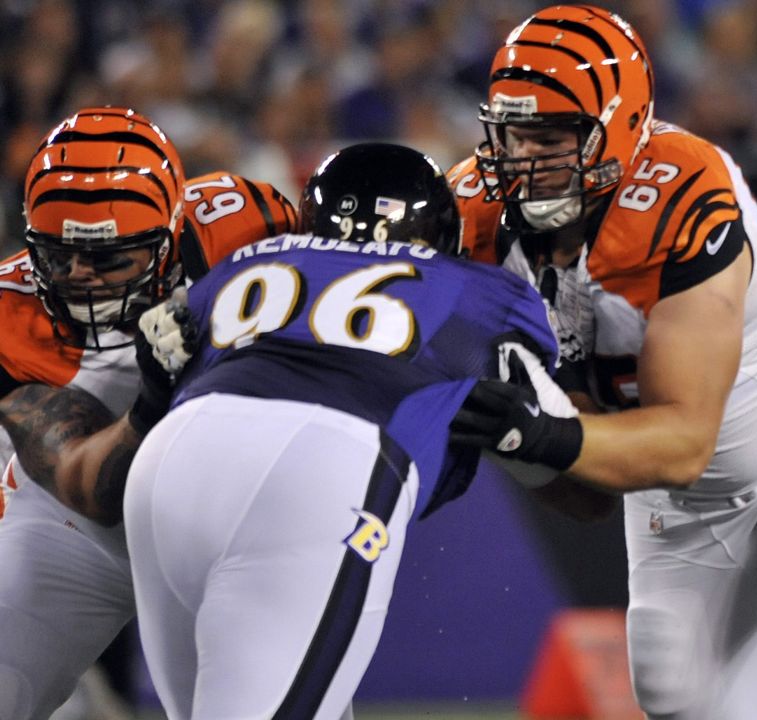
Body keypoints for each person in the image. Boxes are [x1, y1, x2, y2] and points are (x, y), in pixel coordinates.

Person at [445, 6, 757, 718]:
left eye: (550, 137)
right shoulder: (475, 215)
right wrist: (515, 439)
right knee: (679, 700)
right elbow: (586, 497)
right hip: (680, 509)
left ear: (620, 125)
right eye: (512, 134)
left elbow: (685, 440)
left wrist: (536, 432)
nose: (523, 159)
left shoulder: (684, 191)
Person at [122, 142, 564, 718]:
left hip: (167, 465)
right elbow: (557, 442)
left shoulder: (247, 261)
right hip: (323, 469)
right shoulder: (481, 290)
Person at [0, 106, 298, 720]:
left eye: (109, 259)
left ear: (170, 236)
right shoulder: (9, 312)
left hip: (226, 515)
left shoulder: (248, 224)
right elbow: (89, 489)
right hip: (74, 525)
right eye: (58, 258)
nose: (82, 278)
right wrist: (155, 399)